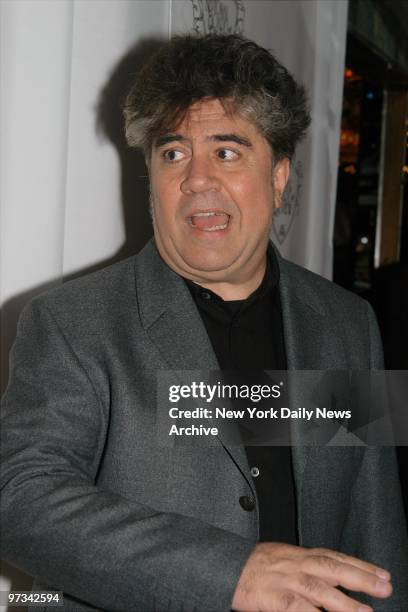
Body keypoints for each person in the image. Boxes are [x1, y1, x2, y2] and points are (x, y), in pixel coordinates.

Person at [1, 34, 407, 612]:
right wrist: (231, 575)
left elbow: (375, 527)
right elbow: (20, 497)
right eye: (173, 154)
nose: (195, 179)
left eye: (226, 151)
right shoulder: (73, 324)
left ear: (279, 177)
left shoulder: (346, 323)